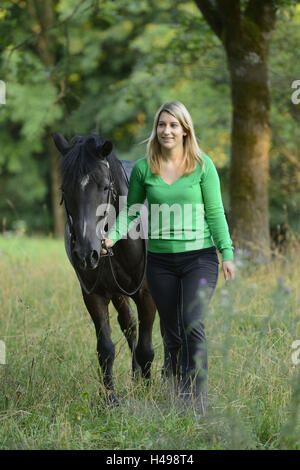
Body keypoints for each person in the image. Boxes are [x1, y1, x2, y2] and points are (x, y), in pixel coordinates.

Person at [101, 101, 235, 415]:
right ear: (156, 130)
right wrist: (112, 236)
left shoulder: (203, 165)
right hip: (159, 263)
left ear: (185, 129)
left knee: (191, 322)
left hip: (199, 259)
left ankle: (196, 398)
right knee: (171, 330)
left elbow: (215, 213)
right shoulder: (146, 168)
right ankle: (177, 392)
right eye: (162, 125)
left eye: (174, 125)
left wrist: (226, 253)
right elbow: (131, 211)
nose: (167, 131)